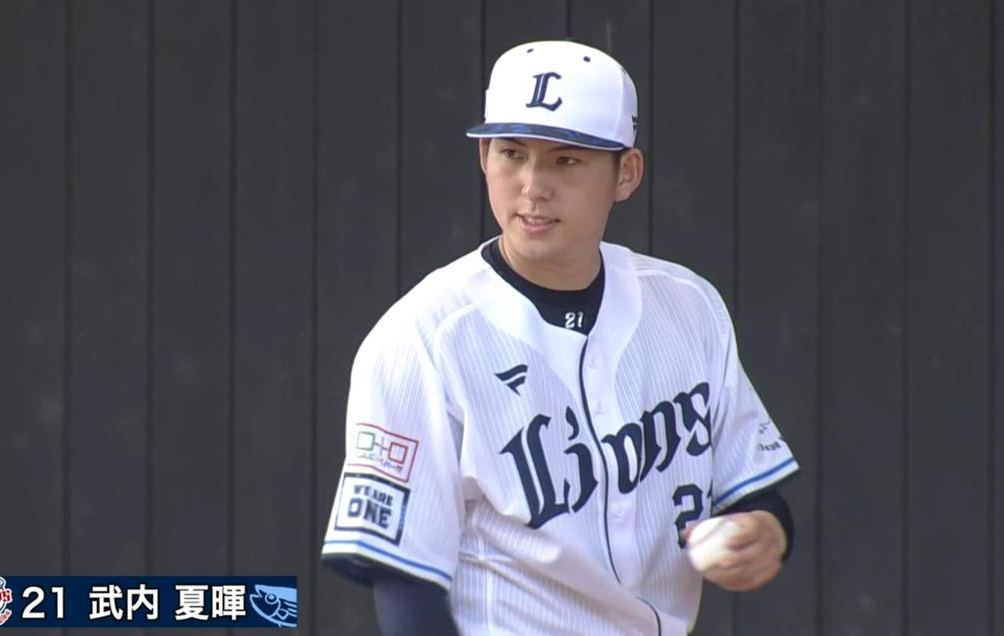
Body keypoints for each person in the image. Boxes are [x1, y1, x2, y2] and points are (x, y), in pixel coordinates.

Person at [321, 39, 799, 635]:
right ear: (483, 157)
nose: (532, 185)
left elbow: (752, 493)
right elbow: (405, 584)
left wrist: (766, 531)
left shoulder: (688, 307)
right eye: (511, 153)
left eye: (566, 160)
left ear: (626, 173)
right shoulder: (422, 337)